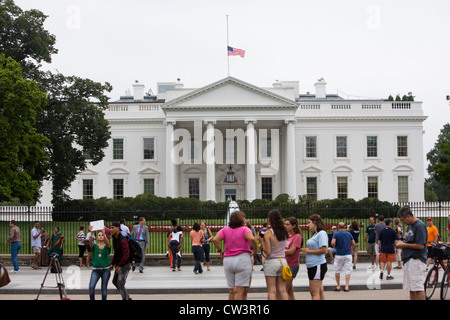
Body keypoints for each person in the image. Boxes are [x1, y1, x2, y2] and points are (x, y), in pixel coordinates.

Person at [213, 211, 257, 300]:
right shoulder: (245, 229)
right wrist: (255, 250)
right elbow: (252, 239)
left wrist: (220, 251)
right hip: (242, 259)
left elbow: (215, 240)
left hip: (228, 260)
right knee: (239, 291)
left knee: (231, 290)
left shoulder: (225, 230)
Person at [395, 206, 428, 300]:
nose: (403, 222)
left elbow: (421, 245)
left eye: (403, 219)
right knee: (411, 288)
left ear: (409, 216)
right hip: (409, 259)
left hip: (416, 259)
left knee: (418, 287)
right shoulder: (410, 226)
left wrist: (403, 245)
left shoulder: (419, 225)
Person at [260, 210, 289, 300]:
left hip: (272, 261)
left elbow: (268, 252)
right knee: (282, 289)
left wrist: (262, 242)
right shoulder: (284, 232)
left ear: (270, 220)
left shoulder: (268, 233)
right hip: (283, 261)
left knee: (272, 290)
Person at [301, 214, 328, 300]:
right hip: (313, 265)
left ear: (315, 222)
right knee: (319, 291)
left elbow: (324, 250)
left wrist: (309, 251)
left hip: (317, 264)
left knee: (314, 292)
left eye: (309, 222)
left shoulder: (321, 234)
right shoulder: (316, 234)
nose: (308, 225)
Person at [88, 226, 111, 300]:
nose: (100, 237)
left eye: (102, 235)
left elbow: (108, 244)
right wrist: (92, 232)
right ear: (97, 237)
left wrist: (104, 235)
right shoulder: (94, 246)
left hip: (105, 270)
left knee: (103, 288)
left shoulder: (106, 247)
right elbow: (90, 242)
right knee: (91, 287)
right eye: (99, 235)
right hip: (96, 270)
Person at [110, 221, 132, 300]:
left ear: (118, 228)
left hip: (125, 264)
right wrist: (112, 263)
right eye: (110, 228)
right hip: (119, 264)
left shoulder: (122, 240)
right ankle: (127, 297)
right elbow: (116, 252)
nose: (111, 229)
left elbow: (126, 254)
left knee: (120, 283)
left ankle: (125, 298)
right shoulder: (115, 239)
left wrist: (119, 265)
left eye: (113, 228)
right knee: (115, 281)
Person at [332, 222, 354, 292]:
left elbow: (332, 242)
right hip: (347, 253)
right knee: (347, 270)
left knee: (337, 270)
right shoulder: (348, 234)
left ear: (338, 227)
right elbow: (353, 243)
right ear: (344, 227)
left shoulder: (336, 234)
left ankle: (338, 286)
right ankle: (347, 286)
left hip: (339, 254)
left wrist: (335, 247)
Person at [284, 217, 302, 300]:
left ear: (294, 226)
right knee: (289, 291)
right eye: (285, 224)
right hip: (285, 264)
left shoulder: (297, 236)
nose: (285, 226)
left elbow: (291, 251)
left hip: (292, 265)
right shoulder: (287, 236)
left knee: (283, 290)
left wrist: (280, 251)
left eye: (288, 224)